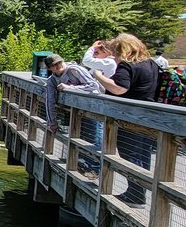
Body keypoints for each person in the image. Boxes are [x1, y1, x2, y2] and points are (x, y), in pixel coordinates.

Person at [92, 33, 160, 206]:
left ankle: (135, 195)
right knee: (142, 155)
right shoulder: (151, 64)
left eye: (115, 51)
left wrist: (98, 75)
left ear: (123, 50)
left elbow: (119, 89)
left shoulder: (127, 65)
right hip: (147, 116)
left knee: (130, 154)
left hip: (129, 117)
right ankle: (138, 192)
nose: (114, 56)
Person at [44, 53, 104, 172]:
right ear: (49, 68)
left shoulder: (75, 70)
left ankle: (96, 169)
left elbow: (93, 85)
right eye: (54, 65)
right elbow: (49, 101)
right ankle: (84, 167)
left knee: (95, 140)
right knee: (81, 138)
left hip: (94, 109)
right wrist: (52, 122)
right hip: (78, 113)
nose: (58, 66)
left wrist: (70, 87)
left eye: (59, 63)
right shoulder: (52, 80)